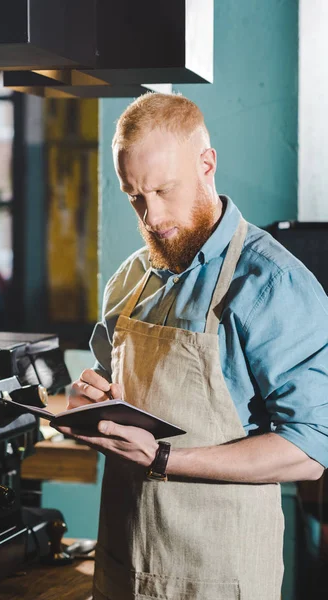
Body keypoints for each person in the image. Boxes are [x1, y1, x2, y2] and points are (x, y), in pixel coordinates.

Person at [54, 93, 328, 600]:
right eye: (135, 196)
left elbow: (310, 448)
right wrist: (89, 405)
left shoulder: (271, 283)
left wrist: (162, 458)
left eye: (163, 190)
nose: (152, 216)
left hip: (218, 577)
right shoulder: (131, 279)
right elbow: (111, 398)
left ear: (207, 164)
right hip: (122, 566)